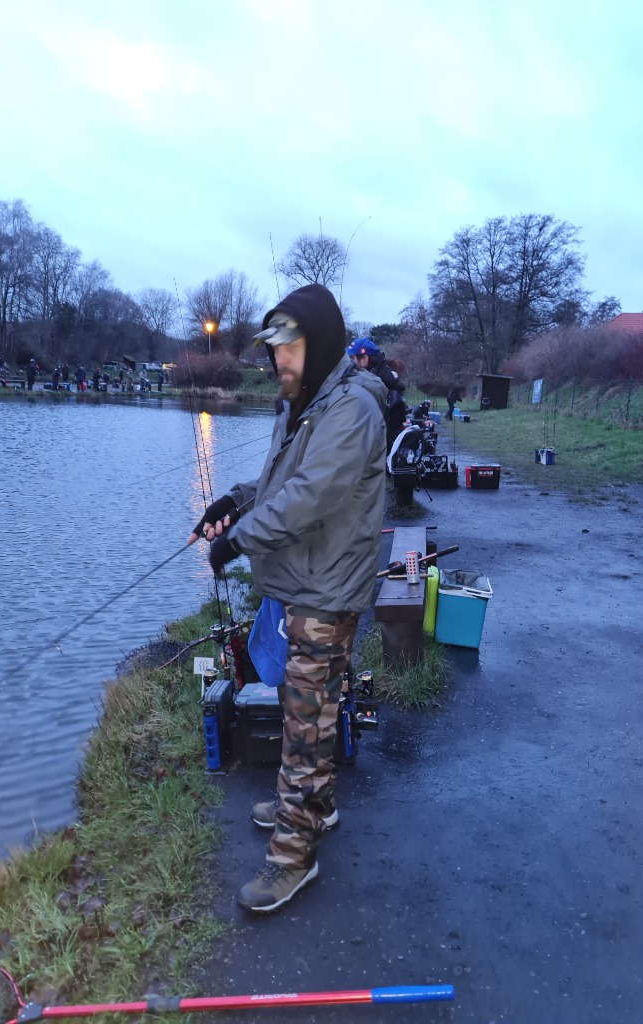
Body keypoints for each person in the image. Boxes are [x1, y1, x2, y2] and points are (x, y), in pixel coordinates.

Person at [189, 284, 387, 914]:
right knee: (314, 708)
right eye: (275, 349)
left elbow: (307, 497)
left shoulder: (351, 411)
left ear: (320, 343)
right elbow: (279, 480)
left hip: (326, 589)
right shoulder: (302, 403)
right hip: (303, 583)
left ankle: (293, 858)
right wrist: (233, 502)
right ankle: (314, 808)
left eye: (290, 347)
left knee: (303, 726)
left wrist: (237, 541)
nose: (279, 360)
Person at [346, 337, 407, 453]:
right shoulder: (380, 382)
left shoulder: (372, 388)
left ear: (364, 360)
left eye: (351, 359)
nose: (348, 363)